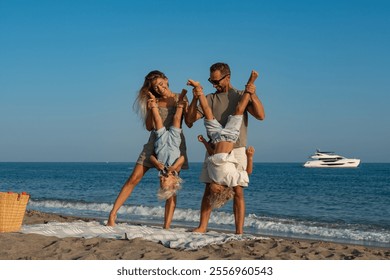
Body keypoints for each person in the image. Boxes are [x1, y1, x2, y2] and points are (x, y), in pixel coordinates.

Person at [186, 63, 265, 234]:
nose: (214, 85)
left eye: (216, 81)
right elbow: (189, 121)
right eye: (211, 81)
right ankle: (202, 226)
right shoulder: (210, 98)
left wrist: (252, 92)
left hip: (236, 148)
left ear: (227, 77)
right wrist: (195, 97)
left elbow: (260, 115)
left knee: (238, 191)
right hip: (215, 147)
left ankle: (238, 231)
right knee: (209, 187)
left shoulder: (239, 94)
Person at [107, 70, 189, 229]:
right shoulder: (153, 100)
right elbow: (149, 126)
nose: (159, 88)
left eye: (160, 83)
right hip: (155, 142)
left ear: (166, 79)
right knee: (134, 178)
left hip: (174, 145)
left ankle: (166, 226)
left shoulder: (180, 97)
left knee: (170, 184)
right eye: (155, 87)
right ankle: (112, 214)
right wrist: (153, 107)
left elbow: (189, 120)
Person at [147, 90, 187, 200]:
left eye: (161, 181)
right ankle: (180, 101)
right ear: (174, 181)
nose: (162, 179)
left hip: (161, 142)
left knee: (158, 120)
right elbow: (182, 158)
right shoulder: (175, 171)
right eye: (165, 181)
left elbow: (151, 157)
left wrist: (156, 163)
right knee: (177, 119)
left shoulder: (161, 170)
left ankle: (153, 103)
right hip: (174, 142)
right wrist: (174, 167)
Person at [197, 134, 255, 209]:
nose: (210, 191)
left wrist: (204, 142)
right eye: (213, 193)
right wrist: (249, 157)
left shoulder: (213, 177)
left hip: (218, 140)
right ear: (220, 190)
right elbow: (248, 173)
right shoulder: (230, 179)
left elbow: (213, 155)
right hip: (230, 138)